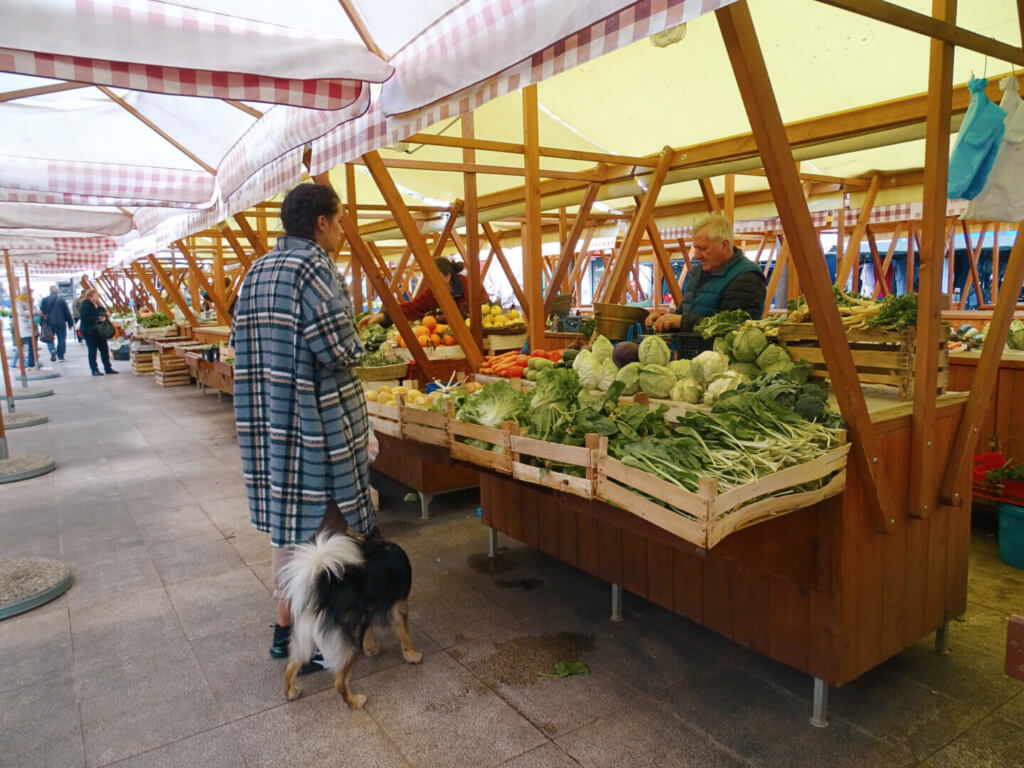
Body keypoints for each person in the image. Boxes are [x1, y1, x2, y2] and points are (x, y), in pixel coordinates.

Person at [230, 183, 372, 670]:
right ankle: (317, 640)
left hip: (270, 419)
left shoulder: (257, 270)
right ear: (321, 223)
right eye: (341, 219)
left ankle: (283, 628)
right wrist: (360, 345)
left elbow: (239, 341)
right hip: (315, 422)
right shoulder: (314, 267)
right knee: (324, 531)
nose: (344, 228)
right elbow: (338, 348)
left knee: (285, 531)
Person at [647, 213, 767, 334]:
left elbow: (733, 327)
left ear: (724, 245)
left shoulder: (747, 277)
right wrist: (664, 319)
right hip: (693, 350)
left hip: (721, 353)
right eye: (696, 248)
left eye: (703, 249)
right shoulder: (700, 273)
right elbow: (684, 314)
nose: (696, 256)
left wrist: (682, 321)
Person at [356, 256, 488, 330]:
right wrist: (383, 316)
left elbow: (486, 311)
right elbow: (411, 308)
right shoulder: (431, 292)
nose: (430, 282)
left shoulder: (470, 287)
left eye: (434, 277)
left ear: (447, 276)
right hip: (447, 341)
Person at [79, 289, 119, 376]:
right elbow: (85, 318)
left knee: (104, 350)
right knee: (92, 351)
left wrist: (105, 315)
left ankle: (108, 368)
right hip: (89, 332)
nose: (98, 297)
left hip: (100, 332)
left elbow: (102, 312)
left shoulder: (99, 305)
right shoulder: (85, 305)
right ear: (90, 296)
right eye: (96, 296)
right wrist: (98, 318)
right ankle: (94, 369)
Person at [40, 285, 74, 362]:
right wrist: (70, 323)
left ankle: (52, 349)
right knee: (61, 338)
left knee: (49, 338)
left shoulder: (44, 300)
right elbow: (67, 312)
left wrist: (41, 323)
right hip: (61, 322)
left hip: (49, 322)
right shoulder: (61, 300)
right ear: (57, 291)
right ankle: (60, 356)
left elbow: (42, 312)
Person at [9, 295, 36, 370]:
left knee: (20, 347)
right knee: (19, 347)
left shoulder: (16, 309)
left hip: (20, 330)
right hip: (21, 331)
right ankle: (14, 363)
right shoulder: (19, 309)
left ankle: (21, 363)